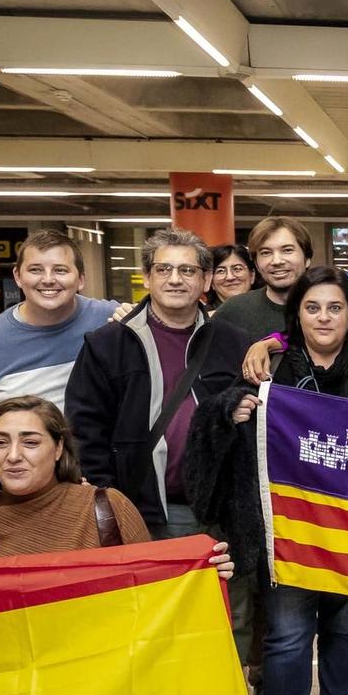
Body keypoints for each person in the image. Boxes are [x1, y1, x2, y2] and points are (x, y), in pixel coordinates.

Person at [196, 267, 348, 695]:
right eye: (312, 308)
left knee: (347, 629)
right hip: (286, 534)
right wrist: (233, 411)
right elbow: (216, 417)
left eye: (335, 308)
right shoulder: (269, 368)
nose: (324, 317)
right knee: (285, 637)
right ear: (295, 316)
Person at [0, 396, 236, 583]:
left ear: (58, 449)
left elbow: (152, 590)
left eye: (30, 442)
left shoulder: (106, 509)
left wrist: (200, 574)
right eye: (0, 442)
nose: (13, 456)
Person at [64, 227, 250, 539]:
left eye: (187, 270)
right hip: (137, 510)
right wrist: (108, 500)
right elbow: (84, 429)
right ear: (148, 278)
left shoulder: (234, 343)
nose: (175, 279)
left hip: (221, 515)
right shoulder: (108, 344)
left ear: (205, 281)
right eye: (164, 269)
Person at [0, 230, 117, 432]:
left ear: (81, 279)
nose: (48, 279)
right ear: (18, 276)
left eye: (60, 270)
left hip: (99, 459)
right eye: (35, 270)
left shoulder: (112, 319)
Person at [214, 217, 312, 343]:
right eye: (266, 253)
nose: (276, 261)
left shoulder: (326, 307)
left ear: (307, 258)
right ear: (256, 263)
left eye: (287, 250)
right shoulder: (232, 312)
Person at [208, 244, 257, 308]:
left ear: (252, 275)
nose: (230, 277)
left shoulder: (269, 311)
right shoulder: (203, 316)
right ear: (211, 282)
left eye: (237, 269)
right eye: (220, 271)